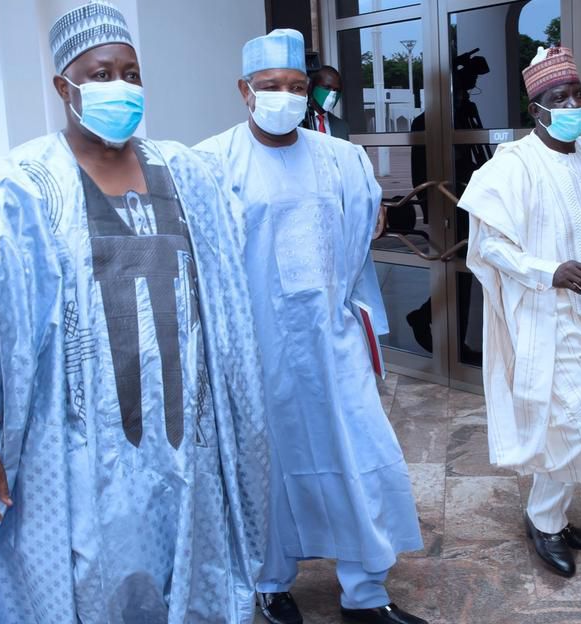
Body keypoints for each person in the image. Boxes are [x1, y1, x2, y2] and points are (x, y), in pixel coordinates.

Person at [0, 2, 269, 621]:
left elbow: (229, 303)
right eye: (101, 74)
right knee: (88, 583)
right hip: (75, 449)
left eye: (131, 73)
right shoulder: (18, 189)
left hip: (188, 442)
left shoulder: (190, 175)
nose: (121, 88)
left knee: (192, 577)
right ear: (64, 86)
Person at [196, 30, 426, 624]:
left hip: (332, 338)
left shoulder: (342, 159)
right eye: (271, 87)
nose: (286, 97)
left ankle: (366, 593)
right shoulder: (211, 163)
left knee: (359, 453)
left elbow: (360, 241)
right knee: (263, 464)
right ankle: (270, 584)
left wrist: (351, 317)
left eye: (297, 87)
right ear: (244, 92)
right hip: (257, 350)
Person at [458, 45, 581, 578]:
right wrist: (547, 270)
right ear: (538, 109)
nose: (574, 102)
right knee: (570, 421)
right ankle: (544, 521)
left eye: (578, 93)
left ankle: (551, 514)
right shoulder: (512, 164)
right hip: (543, 314)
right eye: (561, 97)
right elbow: (490, 246)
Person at [303, 65, 350, 140]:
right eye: (327, 88)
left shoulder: (342, 127)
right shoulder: (298, 121)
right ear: (311, 87)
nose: (332, 93)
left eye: (336, 90)